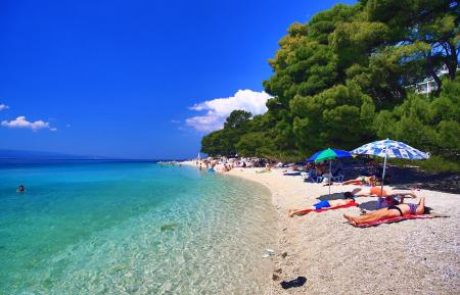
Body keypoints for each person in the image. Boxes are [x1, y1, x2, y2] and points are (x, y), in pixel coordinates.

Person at [344, 197, 428, 226]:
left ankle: (357, 221)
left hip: (398, 211)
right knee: (374, 213)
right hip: (395, 207)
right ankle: (355, 218)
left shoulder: (419, 210)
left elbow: (422, 203)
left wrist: (422, 199)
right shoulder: (415, 206)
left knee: (377, 217)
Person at [288, 191, 358, 217]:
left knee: (310, 209)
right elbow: (337, 206)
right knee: (310, 209)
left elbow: (355, 203)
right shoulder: (347, 202)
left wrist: (356, 205)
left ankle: (295, 210)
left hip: (326, 202)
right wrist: (328, 208)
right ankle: (294, 212)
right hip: (326, 205)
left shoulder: (346, 200)